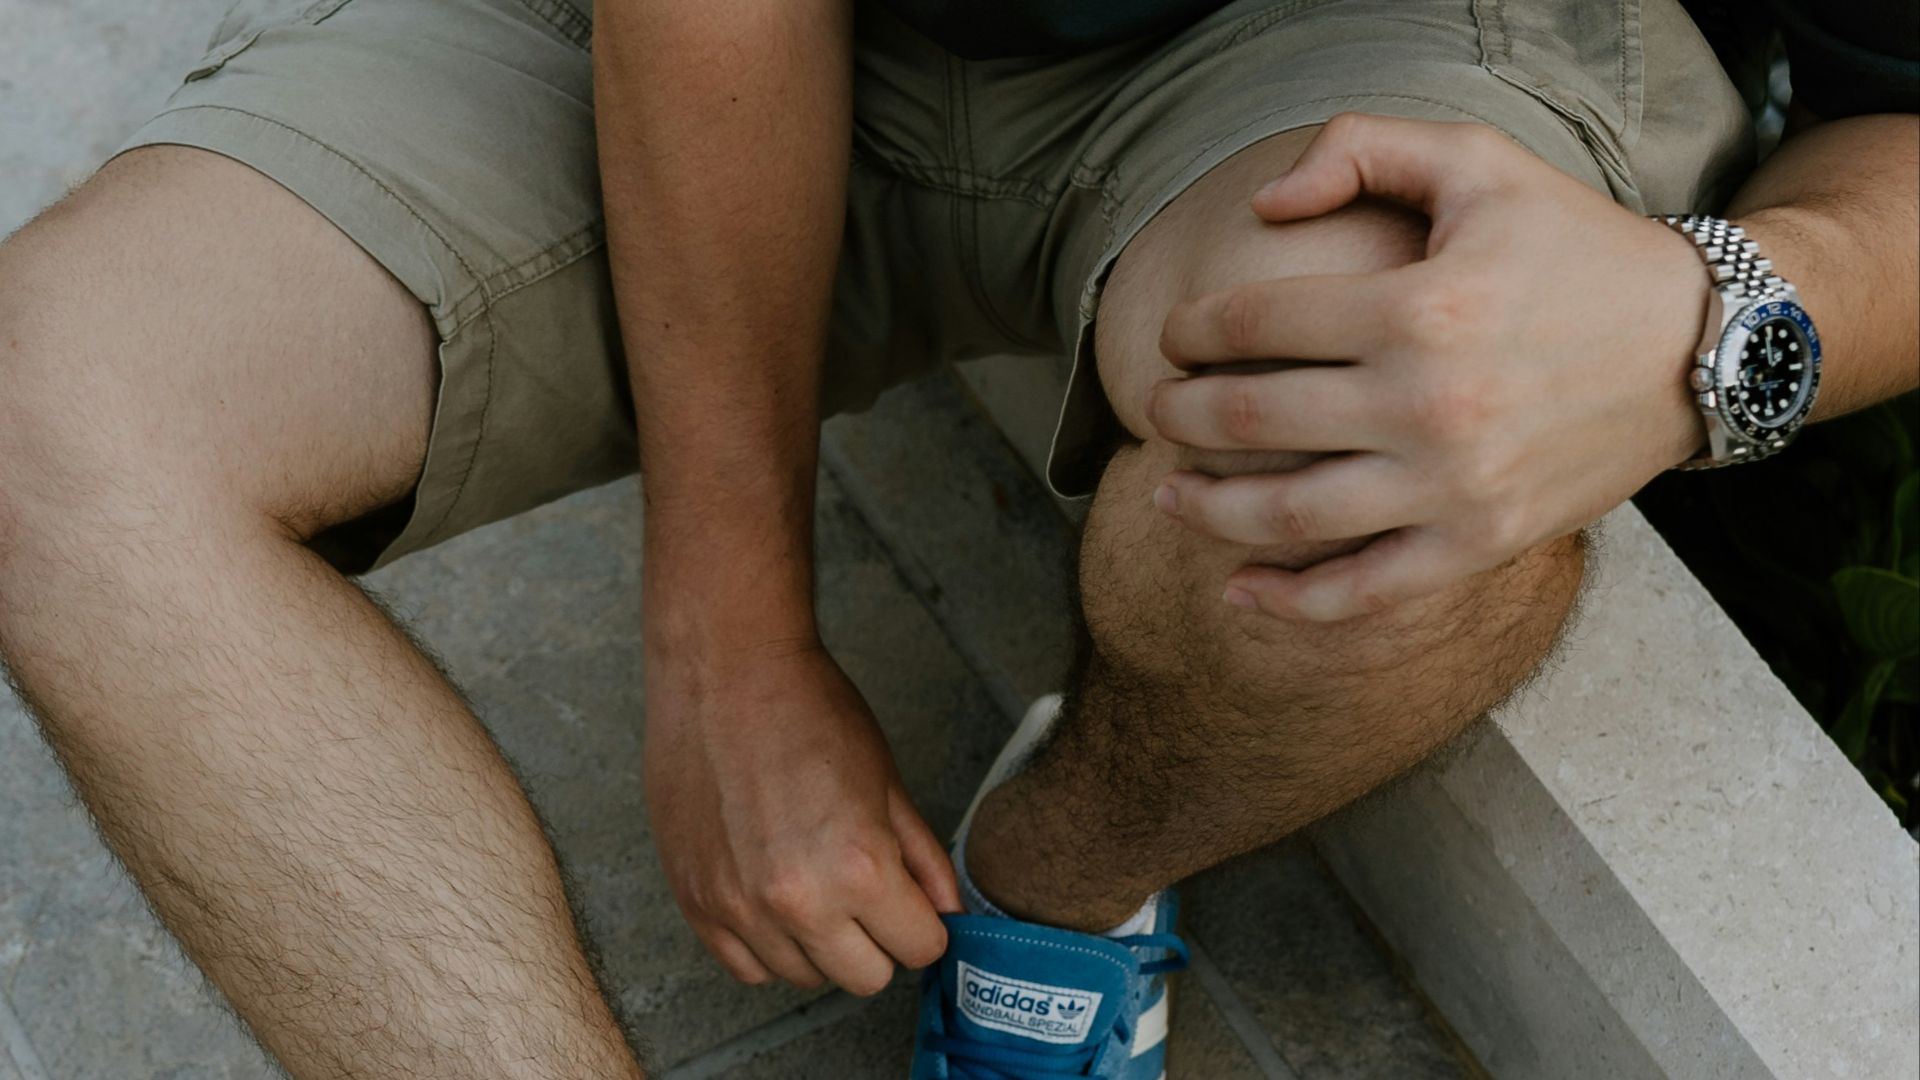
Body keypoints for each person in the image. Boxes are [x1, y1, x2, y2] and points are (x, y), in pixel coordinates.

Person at [0, 0, 1913, 1075]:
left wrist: (1706, 321)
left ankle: (1055, 898)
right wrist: (724, 630)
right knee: (59, 413)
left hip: (1349, 42)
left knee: (1388, 474)